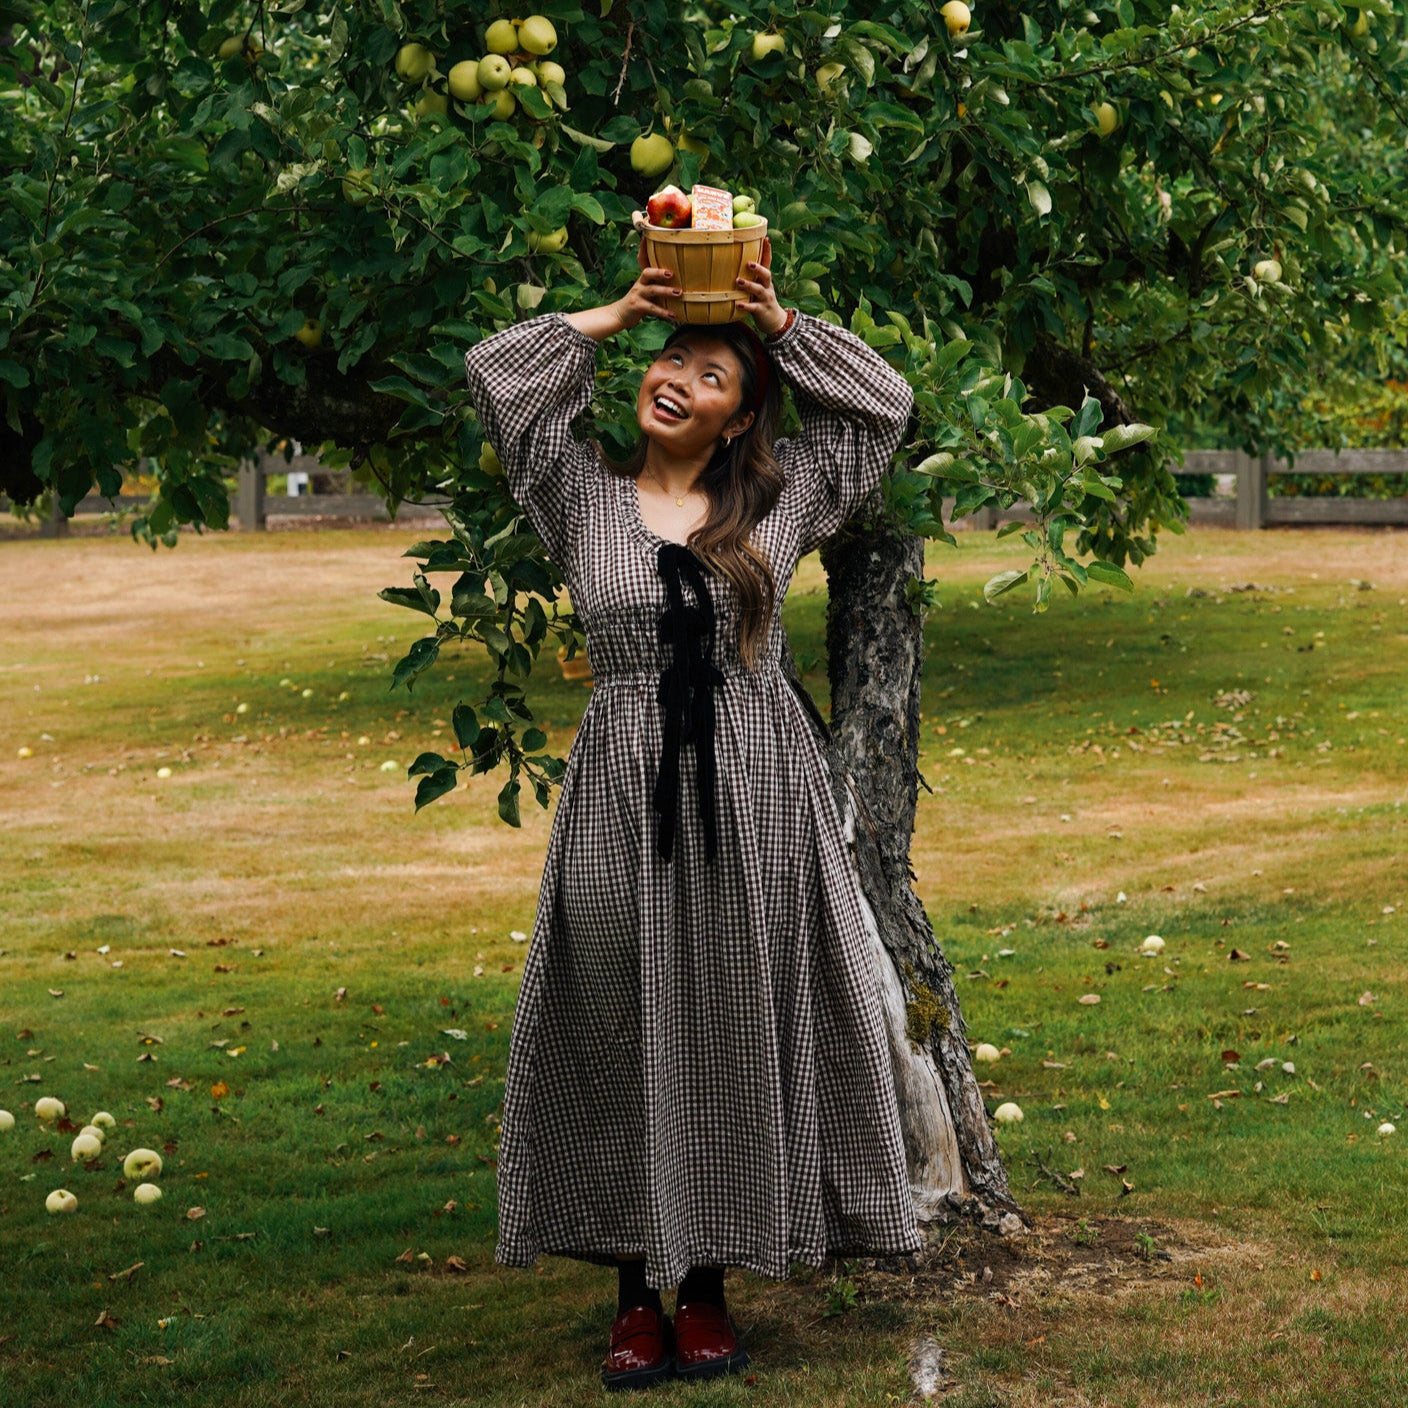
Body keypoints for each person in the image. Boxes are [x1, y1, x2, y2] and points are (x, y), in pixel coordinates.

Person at [463, 239, 920, 1392]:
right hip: (622, 789)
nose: (678, 378)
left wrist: (779, 324)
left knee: (725, 1020)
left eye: (711, 375)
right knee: (616, 1015)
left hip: (755, 788)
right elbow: (500, 372)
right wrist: (617, 313)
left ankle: (707, 1284)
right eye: (670, 359)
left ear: (736, 418)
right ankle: (629, 1292)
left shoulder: (779, 497)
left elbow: (882, 409)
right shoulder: (578, 492)